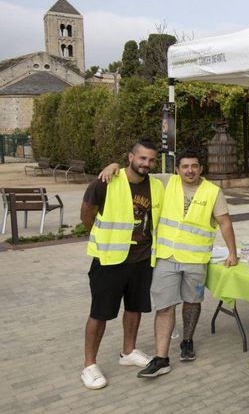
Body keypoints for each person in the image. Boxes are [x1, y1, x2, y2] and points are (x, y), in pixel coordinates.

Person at [95, 150, 240, 379]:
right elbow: (137, 172)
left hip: (195, 259)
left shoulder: (213, 192)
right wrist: (114, 165)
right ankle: (161, 358)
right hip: (166, 258)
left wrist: (232, 252)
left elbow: (225, 223)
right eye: (185, 166)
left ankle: (187, 341)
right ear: (177, 169)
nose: (189, 170)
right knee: (165, 306)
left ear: (201, 168)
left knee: (192, 302)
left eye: (194, 166)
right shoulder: (165, 182)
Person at [80, 140, 165, 390]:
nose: (146, 164)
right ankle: (89, 365)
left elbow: (186, 177)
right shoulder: (107, 182)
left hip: (142, 260)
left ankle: (128, 351)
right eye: (142, 159)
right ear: (130, 157)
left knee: (135, 308)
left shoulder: (158, 186)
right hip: (109, 261)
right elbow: (87, 213)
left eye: (151, 160)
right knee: (100, 313)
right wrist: (102, 239)